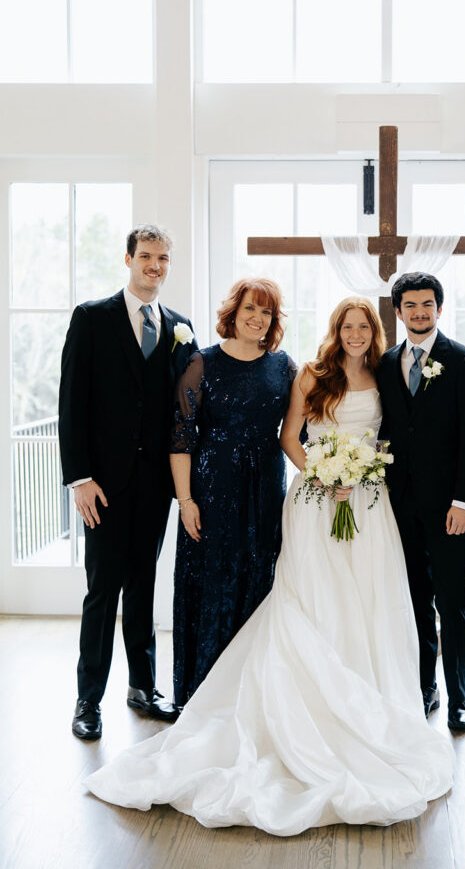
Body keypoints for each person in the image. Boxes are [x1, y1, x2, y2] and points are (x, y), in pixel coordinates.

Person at [85, 297, 453, 833]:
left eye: (362, 326)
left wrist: (363, 472)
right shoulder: (305, 373)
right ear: (335, 330)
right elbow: (288, 437)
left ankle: (369, 700)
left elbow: (395, 435)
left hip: (368, 505)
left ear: (374, 331)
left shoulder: (383, 374)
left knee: (368, 601)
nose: (354, 333)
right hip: (307, 497)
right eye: (346, 326)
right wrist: (324, 473)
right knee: (310, 597)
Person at [59, 225, 197, 741]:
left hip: (155, 486)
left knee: (143, 585)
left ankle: (143, 687)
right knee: (103, 592)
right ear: (128, 259)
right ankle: (87, 700)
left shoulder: (180, 327)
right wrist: (80, 478)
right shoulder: (92, 318)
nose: (155, 266)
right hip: (103, 485)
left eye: (163, 258)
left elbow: (184, 408)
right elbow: (71, 403)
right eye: (146, 256)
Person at [171, 277, 295, 707]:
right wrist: (186, 501)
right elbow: (181, 439)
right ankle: (203, 693)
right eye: (250, 309)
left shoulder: (284, 366)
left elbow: (303, 427)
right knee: (211, 580)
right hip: (212, 489)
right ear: (234, 313)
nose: (257, 318)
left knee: (259, 576)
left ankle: (253, 694)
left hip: (265, 489)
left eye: (266, 312)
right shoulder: (201, 363)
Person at [375, 272, 465, 732]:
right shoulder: (385, 363)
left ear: (439, 308)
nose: (419, 313)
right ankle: (426, 688)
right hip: (399, 505)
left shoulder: (464, 360)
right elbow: (386, 429)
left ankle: (459, 697)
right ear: (398, 311)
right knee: (415, 600)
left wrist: (464, 502)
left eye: (427, 305)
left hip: (448, 507)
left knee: (451, 602)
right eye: (411, 305)